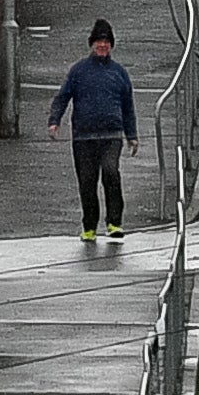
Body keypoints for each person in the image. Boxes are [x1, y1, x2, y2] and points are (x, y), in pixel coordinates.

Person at [46, 20, 138, 245]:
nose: (102, 45)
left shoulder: (119, 73)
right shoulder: (79, 71)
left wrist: (131, 135)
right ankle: (89, 226)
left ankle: (114, 223)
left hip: (111, 136)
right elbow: (63, 97)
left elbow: (128, 106)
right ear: (92, 44)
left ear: (111, 45)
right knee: (87, 182)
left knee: (111, 173)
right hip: (83, 137)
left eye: (106, 41)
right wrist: (54, 121)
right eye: (99, 41)